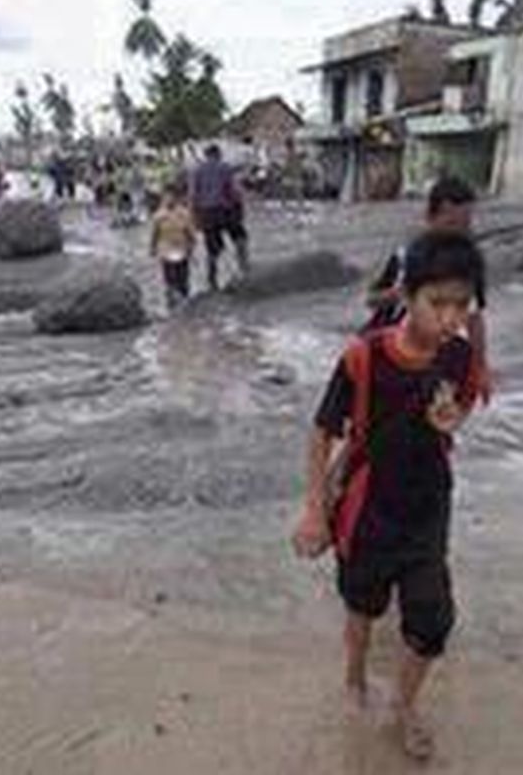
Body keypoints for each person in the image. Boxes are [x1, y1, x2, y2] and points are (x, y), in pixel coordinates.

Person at [292, 231, 480, 761]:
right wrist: (313, 511)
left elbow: (458, 407)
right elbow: (322, 431)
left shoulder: (459, 355)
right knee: (363, 607)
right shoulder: (363, 358)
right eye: (437, 302)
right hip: (367, 508)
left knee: (432, 618)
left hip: (428, 506)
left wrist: (453, 417)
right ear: (407, 296)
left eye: (461, 304)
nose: (449, 317)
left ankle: (404, 706)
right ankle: (354, 677)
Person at [364, 174, 493, 409]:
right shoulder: (406, 258)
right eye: (452, 224)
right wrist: (398, 294)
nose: (460, 233)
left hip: (433, 359)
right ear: (430, 218)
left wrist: (480, 368)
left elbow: (475, 319)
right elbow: (371, 300)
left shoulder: (469, 266)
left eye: (466, 225)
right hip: (388, 354)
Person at [190, 144, 249, 290]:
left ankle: (212, 279)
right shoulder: (225, 168)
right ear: (218, 154)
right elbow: (233, 191)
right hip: (225, 210)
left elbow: (193, 196)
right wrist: (240, 208)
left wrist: (195, 218)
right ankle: (244, 266)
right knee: (240, 237)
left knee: (212, 248)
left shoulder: (197, 171)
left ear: (206, 155)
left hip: (206, 213)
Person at [148, 184, 198, 310]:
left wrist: (192, 250)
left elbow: (191, 234)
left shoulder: (184, 214)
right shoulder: (159, 216)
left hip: (182, 251)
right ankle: (172, 306)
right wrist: (152, 248)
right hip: (166, 252)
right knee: (170, 281)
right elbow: (155, 234)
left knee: (183, 280)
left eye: (171, 197)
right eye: (166, 197)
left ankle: (185, 304)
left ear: (177, 198)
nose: (168, 199)